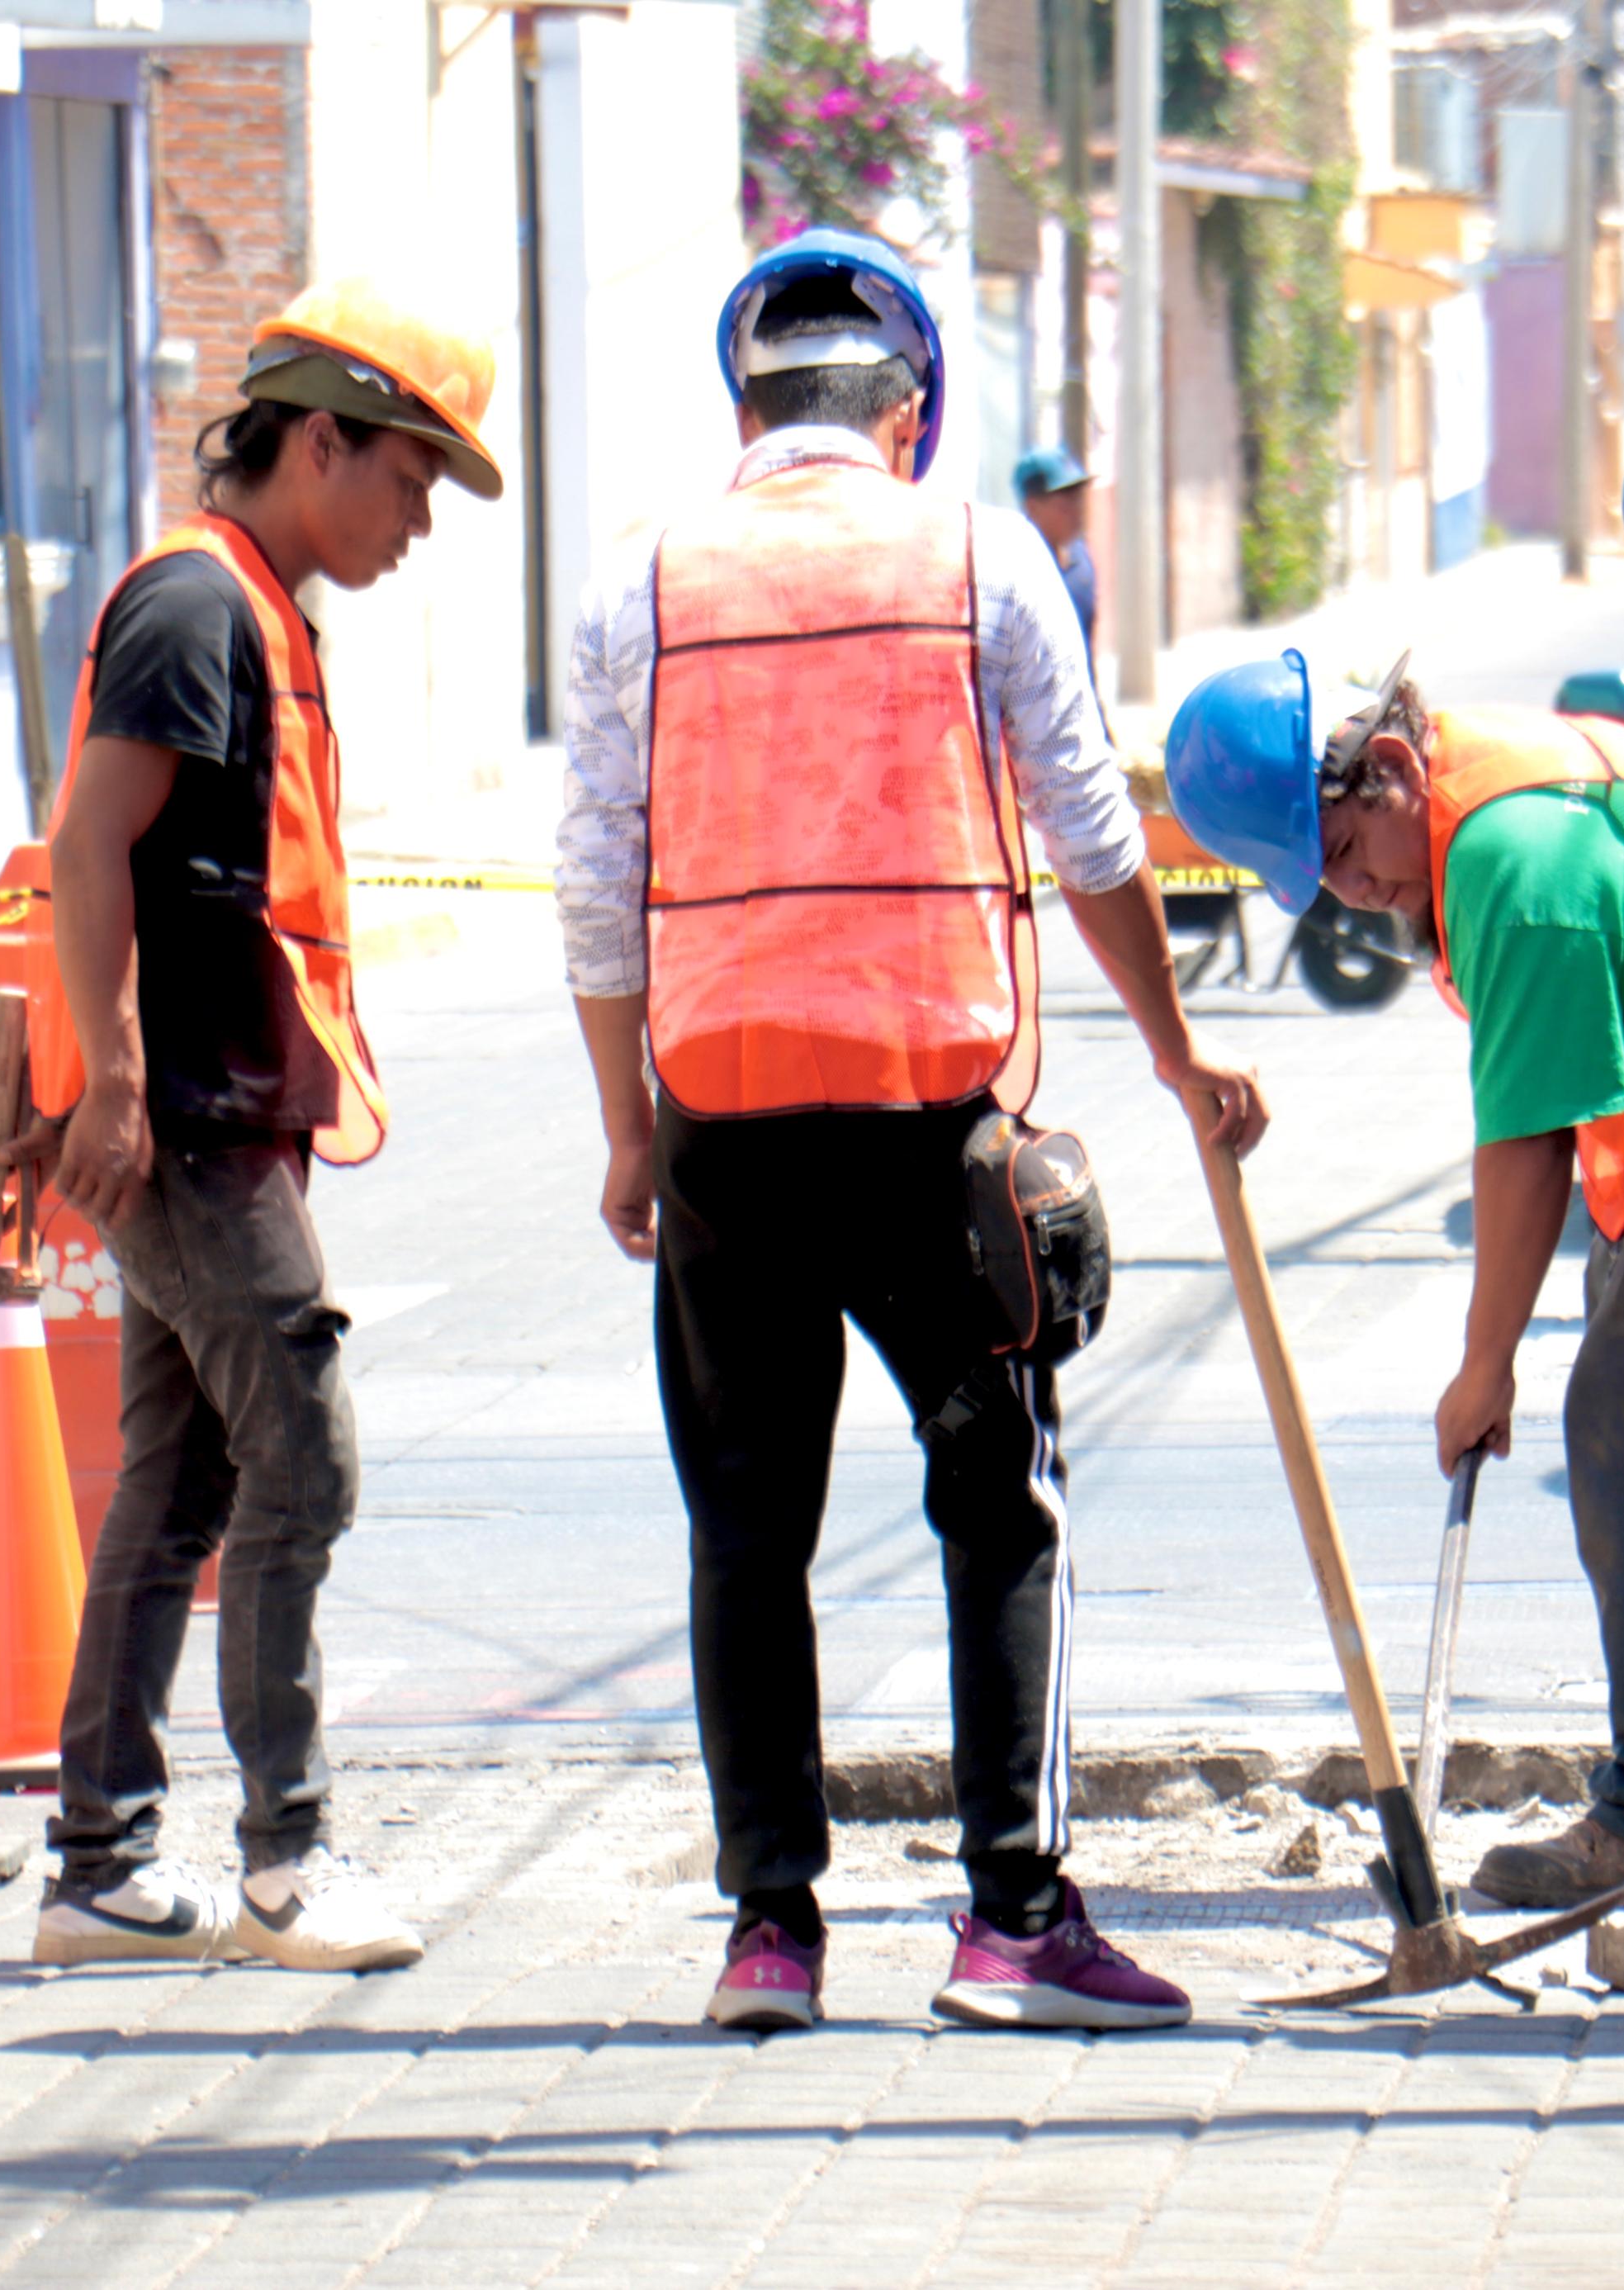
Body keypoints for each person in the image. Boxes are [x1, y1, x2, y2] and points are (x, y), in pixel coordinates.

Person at [557, 230, 1268, 2035]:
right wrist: (1177, 1053)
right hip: (931, 1126)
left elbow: (596, 874)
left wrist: (627, 1128)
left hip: (720, 1121)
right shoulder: (978, 553)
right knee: (999, 1507)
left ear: (746, 413)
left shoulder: (643, 578)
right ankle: (1013, 1917)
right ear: (909, 413)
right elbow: (1090, 824)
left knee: (746, 1530)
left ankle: (770, 1935)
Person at [1160, 649, 1624, 1910]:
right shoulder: (1471, 804)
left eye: (1341, 850)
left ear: (1387, 767)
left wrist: (1485, 1366)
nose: (1349, 892)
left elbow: (1527, 1143)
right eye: (1318, 879)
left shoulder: (1510, 859)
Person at [21, 277, 498, 1973]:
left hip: (220, 1116)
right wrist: (118, 1079)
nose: (418, 522)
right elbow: (90, 843)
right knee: (301, 1448)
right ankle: (286, 1859)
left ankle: (99, 1865)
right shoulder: (194, 605)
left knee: (185, 1478)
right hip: (184, 1128)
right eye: (410, 479)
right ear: (317, 442)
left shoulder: (255, 612)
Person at [1013, 446, 1098, 657]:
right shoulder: (1017, 571)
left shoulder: (1081, 560)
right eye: (1066, 502)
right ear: (1033, 507)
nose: (1077, 510)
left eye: (1078, 499)